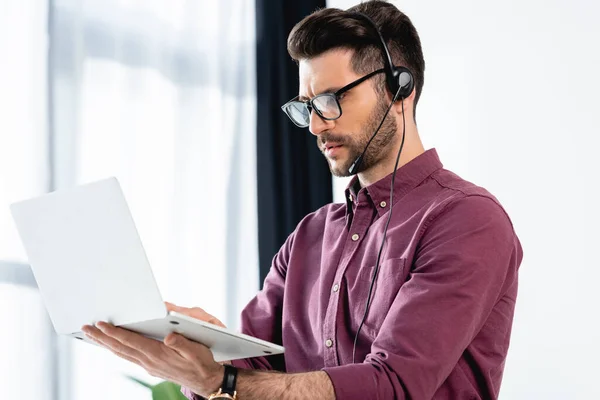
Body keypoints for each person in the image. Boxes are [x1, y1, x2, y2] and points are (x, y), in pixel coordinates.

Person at [82, 1, 523, 399]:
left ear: (398, 89)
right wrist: (204, 349)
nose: (315, 126)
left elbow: (394, 387)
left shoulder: (467, 220)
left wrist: (225, 382)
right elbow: (254, 364)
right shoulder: (309, 235)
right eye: (307, 106)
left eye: (330, 100)